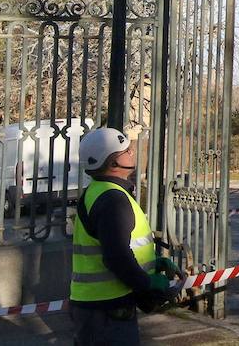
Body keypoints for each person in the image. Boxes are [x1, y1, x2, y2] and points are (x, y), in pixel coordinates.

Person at [70, 127, 175, 345]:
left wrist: (153, 263)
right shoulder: (112, 200)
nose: (132, 153)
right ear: (113, 163)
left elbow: (113, 246)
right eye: (126, 151)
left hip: (98, 307)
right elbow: (116, 257)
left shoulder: (100, 191)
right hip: (107, 311)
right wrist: (148, 282)